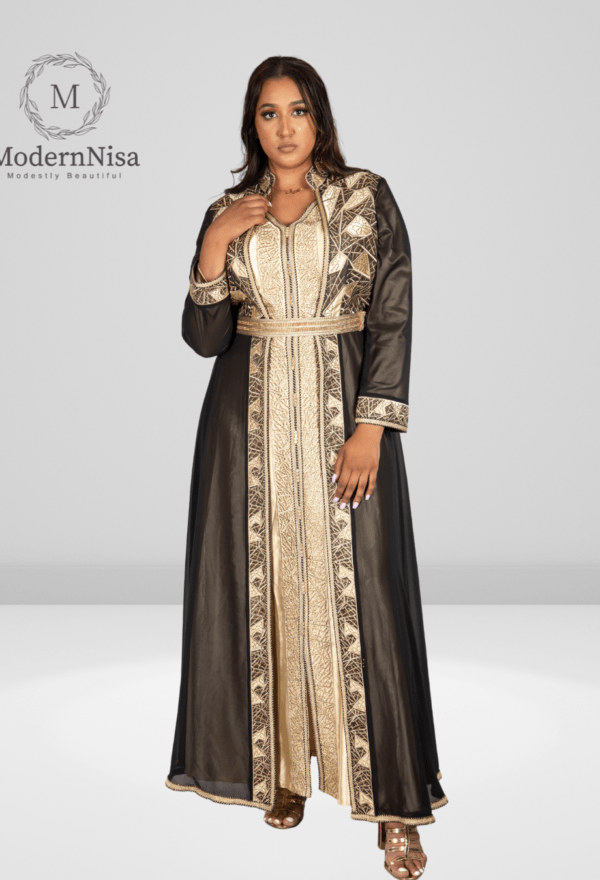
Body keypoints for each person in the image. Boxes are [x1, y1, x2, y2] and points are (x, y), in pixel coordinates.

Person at [165, 55, 448, 878]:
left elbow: (392, 313)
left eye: (297, 110)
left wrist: (372, 427)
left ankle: (397, 811)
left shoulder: (364, 197)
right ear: (251, 125)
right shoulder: (228, 211)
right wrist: (215, 245)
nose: (284, 127)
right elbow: (205, 338)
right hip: (245, 434)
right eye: (268, 113)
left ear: (319, 118)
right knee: (269, 589)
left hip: (341, 423)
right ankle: (280, 771)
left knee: (368, 604)